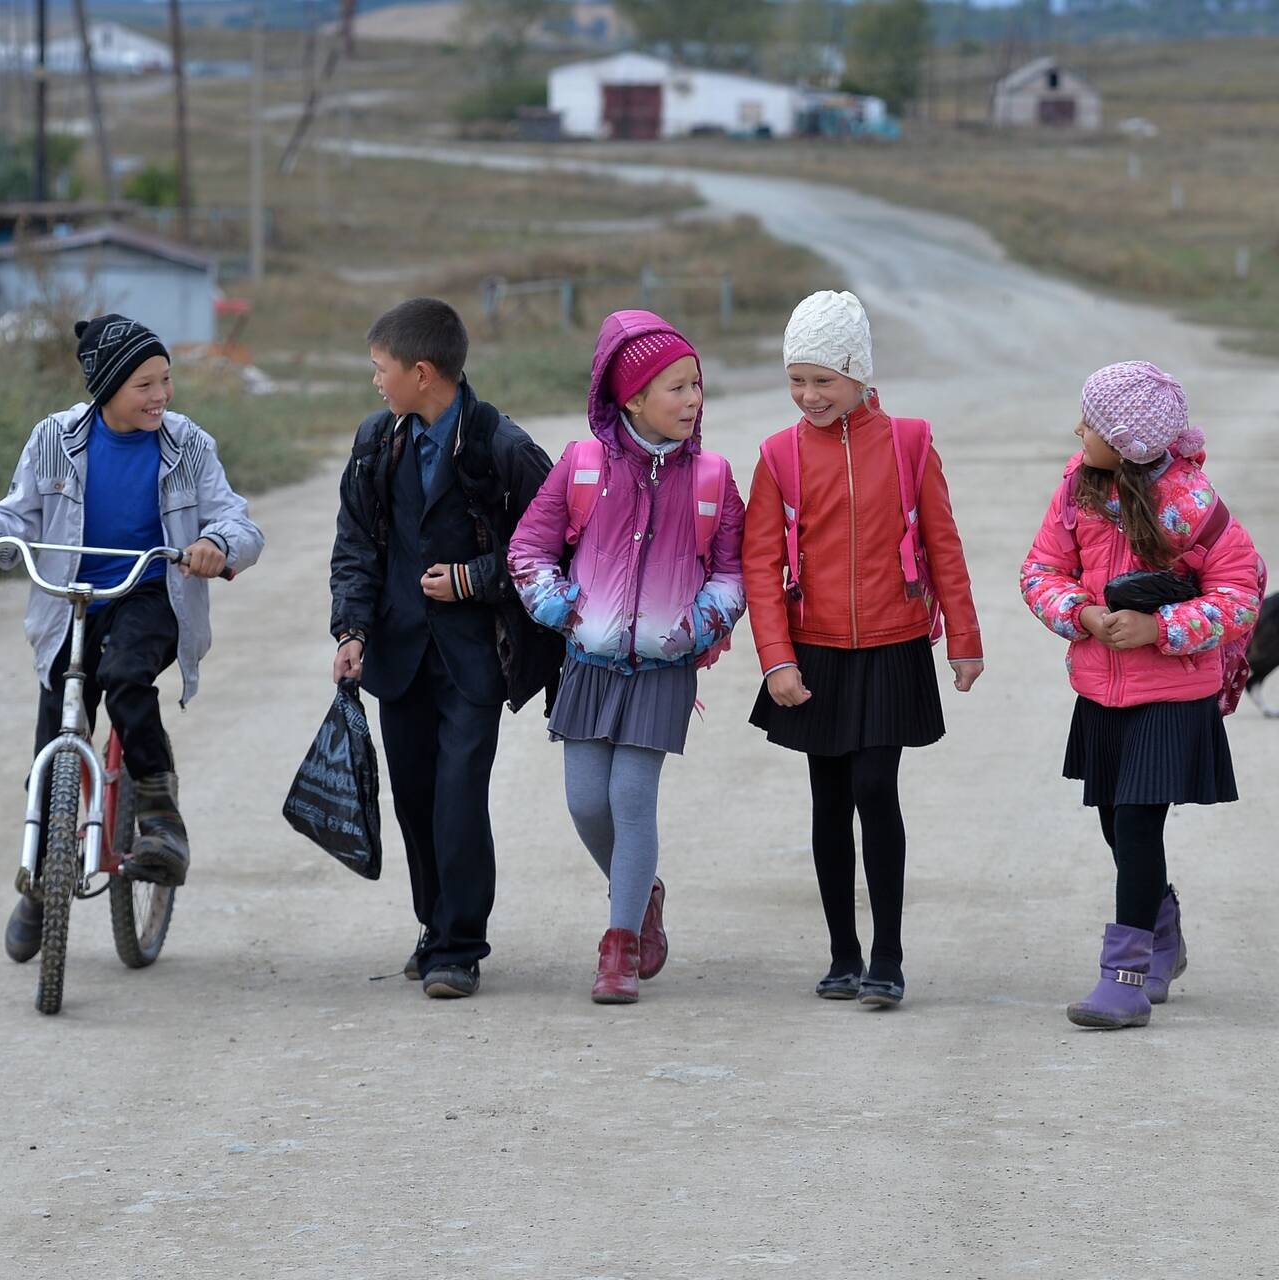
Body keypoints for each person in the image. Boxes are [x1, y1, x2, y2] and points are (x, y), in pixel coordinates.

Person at [742, 290, 983, 1008]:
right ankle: (843, 955)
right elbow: (761, 567)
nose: (808, 396)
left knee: (876, 788)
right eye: (797, 380)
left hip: (894, 643)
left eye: (824, 380)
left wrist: (963, 638)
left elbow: (944, 545)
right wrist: (776, 659)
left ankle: (889, 955)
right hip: (814, 652)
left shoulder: (909, 443)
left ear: (859, 374)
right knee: (829, 798)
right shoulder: (777, 456)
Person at [1, 313, 264, 962]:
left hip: (150, 591)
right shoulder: (53, 439)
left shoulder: (188, 445)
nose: (161, 395)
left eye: (166, 380)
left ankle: (159, 814)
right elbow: (17, 513)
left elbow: (238, 521)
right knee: (53, 739)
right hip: (73, 600)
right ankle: (41, 883)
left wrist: (214, 544)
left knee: (124, 681)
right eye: (145, 383)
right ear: (107, 387)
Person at [507, 310, 745, 1004]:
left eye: (696, 386)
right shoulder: (581, 467)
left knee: (631, 798)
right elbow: (529, 550)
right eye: (677, 388)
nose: (693, 400)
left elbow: (733, 573)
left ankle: (619, 950)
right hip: (588, 660)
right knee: (586, 802)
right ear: (632, 398)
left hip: (666, 665)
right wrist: (562, 609)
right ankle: (643, 894)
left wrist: (699, 625)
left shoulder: (713, 478)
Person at [330, 297, 561, 999]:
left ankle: (460, 946)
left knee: (459, 795)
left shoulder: (505, 449)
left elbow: (552, 551)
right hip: (399, 657)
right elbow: (354, 549)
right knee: (416, 797)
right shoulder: (377, 442)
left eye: (381, 368)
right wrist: (351, 629)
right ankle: (432, 926)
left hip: (474, 661)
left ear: (423, 372)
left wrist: (473, 578)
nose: (375, 381)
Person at [1021, 361, 1262, 1029]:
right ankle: (1163, 931)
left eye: (1091, 423)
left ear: (1126, 439)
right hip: (1101, 688)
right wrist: (1082, 614)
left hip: (1172, 691)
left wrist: (1162, 628)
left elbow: (1241, 596)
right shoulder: (1076, 487)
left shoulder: (1190, 503)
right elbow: (1041, 568)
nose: (1078, 430)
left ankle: (1123, 979)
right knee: (1113, 822)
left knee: (1134, 820)